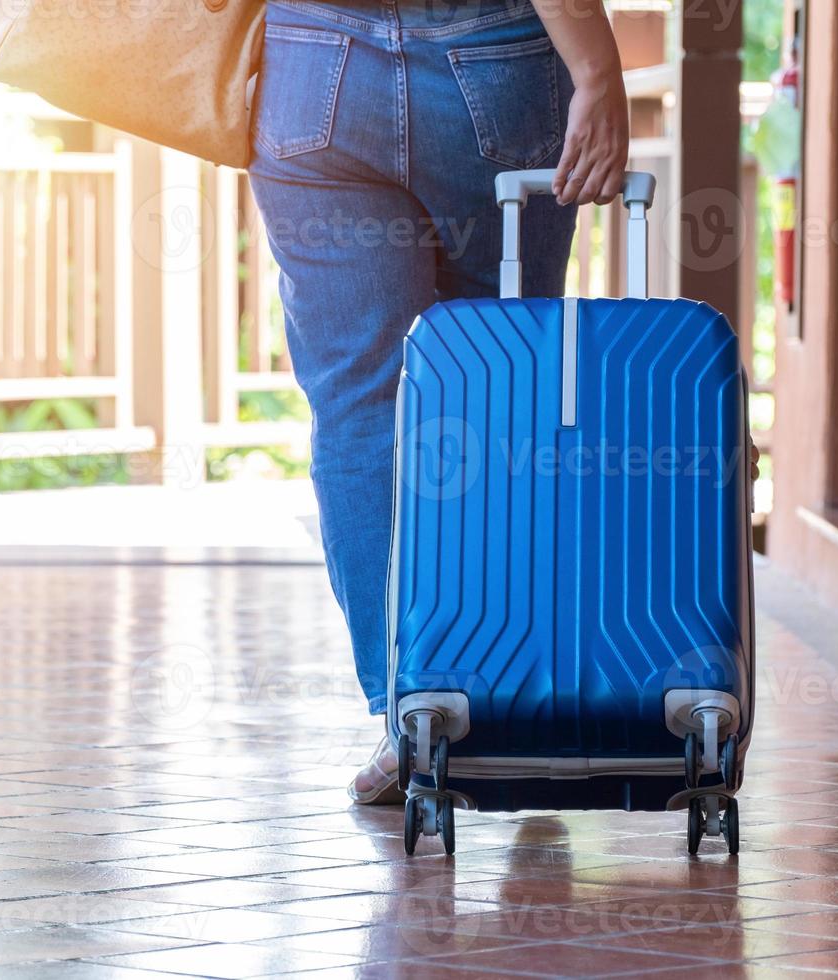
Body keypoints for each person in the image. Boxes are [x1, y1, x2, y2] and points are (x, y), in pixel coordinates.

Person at [245, 0, 631, 804]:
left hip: (314, 67)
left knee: (359, 402)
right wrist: (596, 70)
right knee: (511, 384)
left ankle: (409, 718)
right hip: (495, 63)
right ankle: (527, 696)